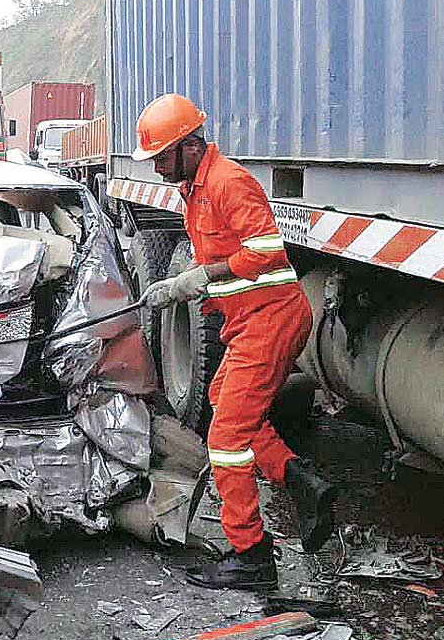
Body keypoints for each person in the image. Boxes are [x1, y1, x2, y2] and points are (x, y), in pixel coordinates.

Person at [134, 93, 336, 592]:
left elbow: (265, 251)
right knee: (222, 400)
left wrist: (199, 277)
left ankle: (251, 555)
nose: (157, 168)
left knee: (225, 440)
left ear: (189, 145)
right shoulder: (194, 191)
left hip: (273, 320)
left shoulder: (229, 183)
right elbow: (225, 270)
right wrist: (190, 291)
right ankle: (302, 483)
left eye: (161, 157)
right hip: (248, 322)